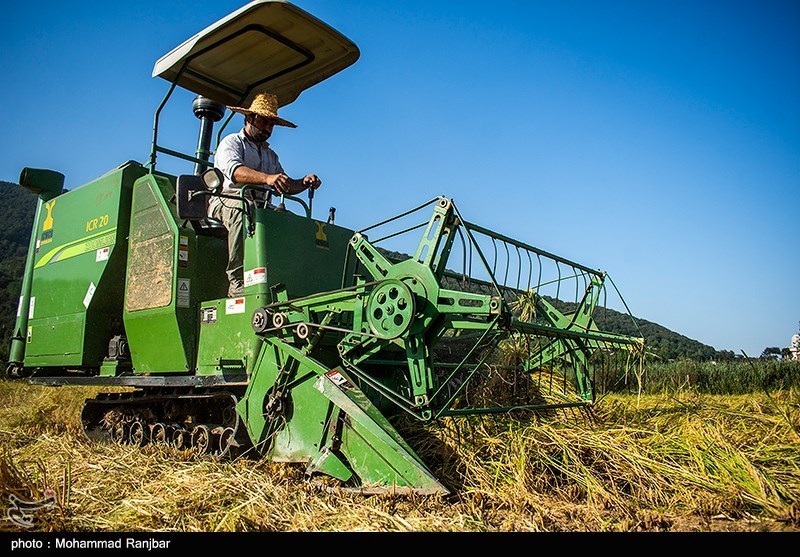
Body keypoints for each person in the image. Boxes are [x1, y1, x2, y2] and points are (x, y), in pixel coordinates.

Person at [210, 92, 322, 297]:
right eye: (263, 121)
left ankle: (288, 278)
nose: (268, 129)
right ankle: (237, 281)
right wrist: (266, 178)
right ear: (249, 118)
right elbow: (235, 172)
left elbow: (284, 185)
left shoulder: (271, 155)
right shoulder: (231, 143)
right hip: (227, 200)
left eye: (271, 124)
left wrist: (304, 182)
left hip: (260, 206)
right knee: (242, 211)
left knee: (290, 221)